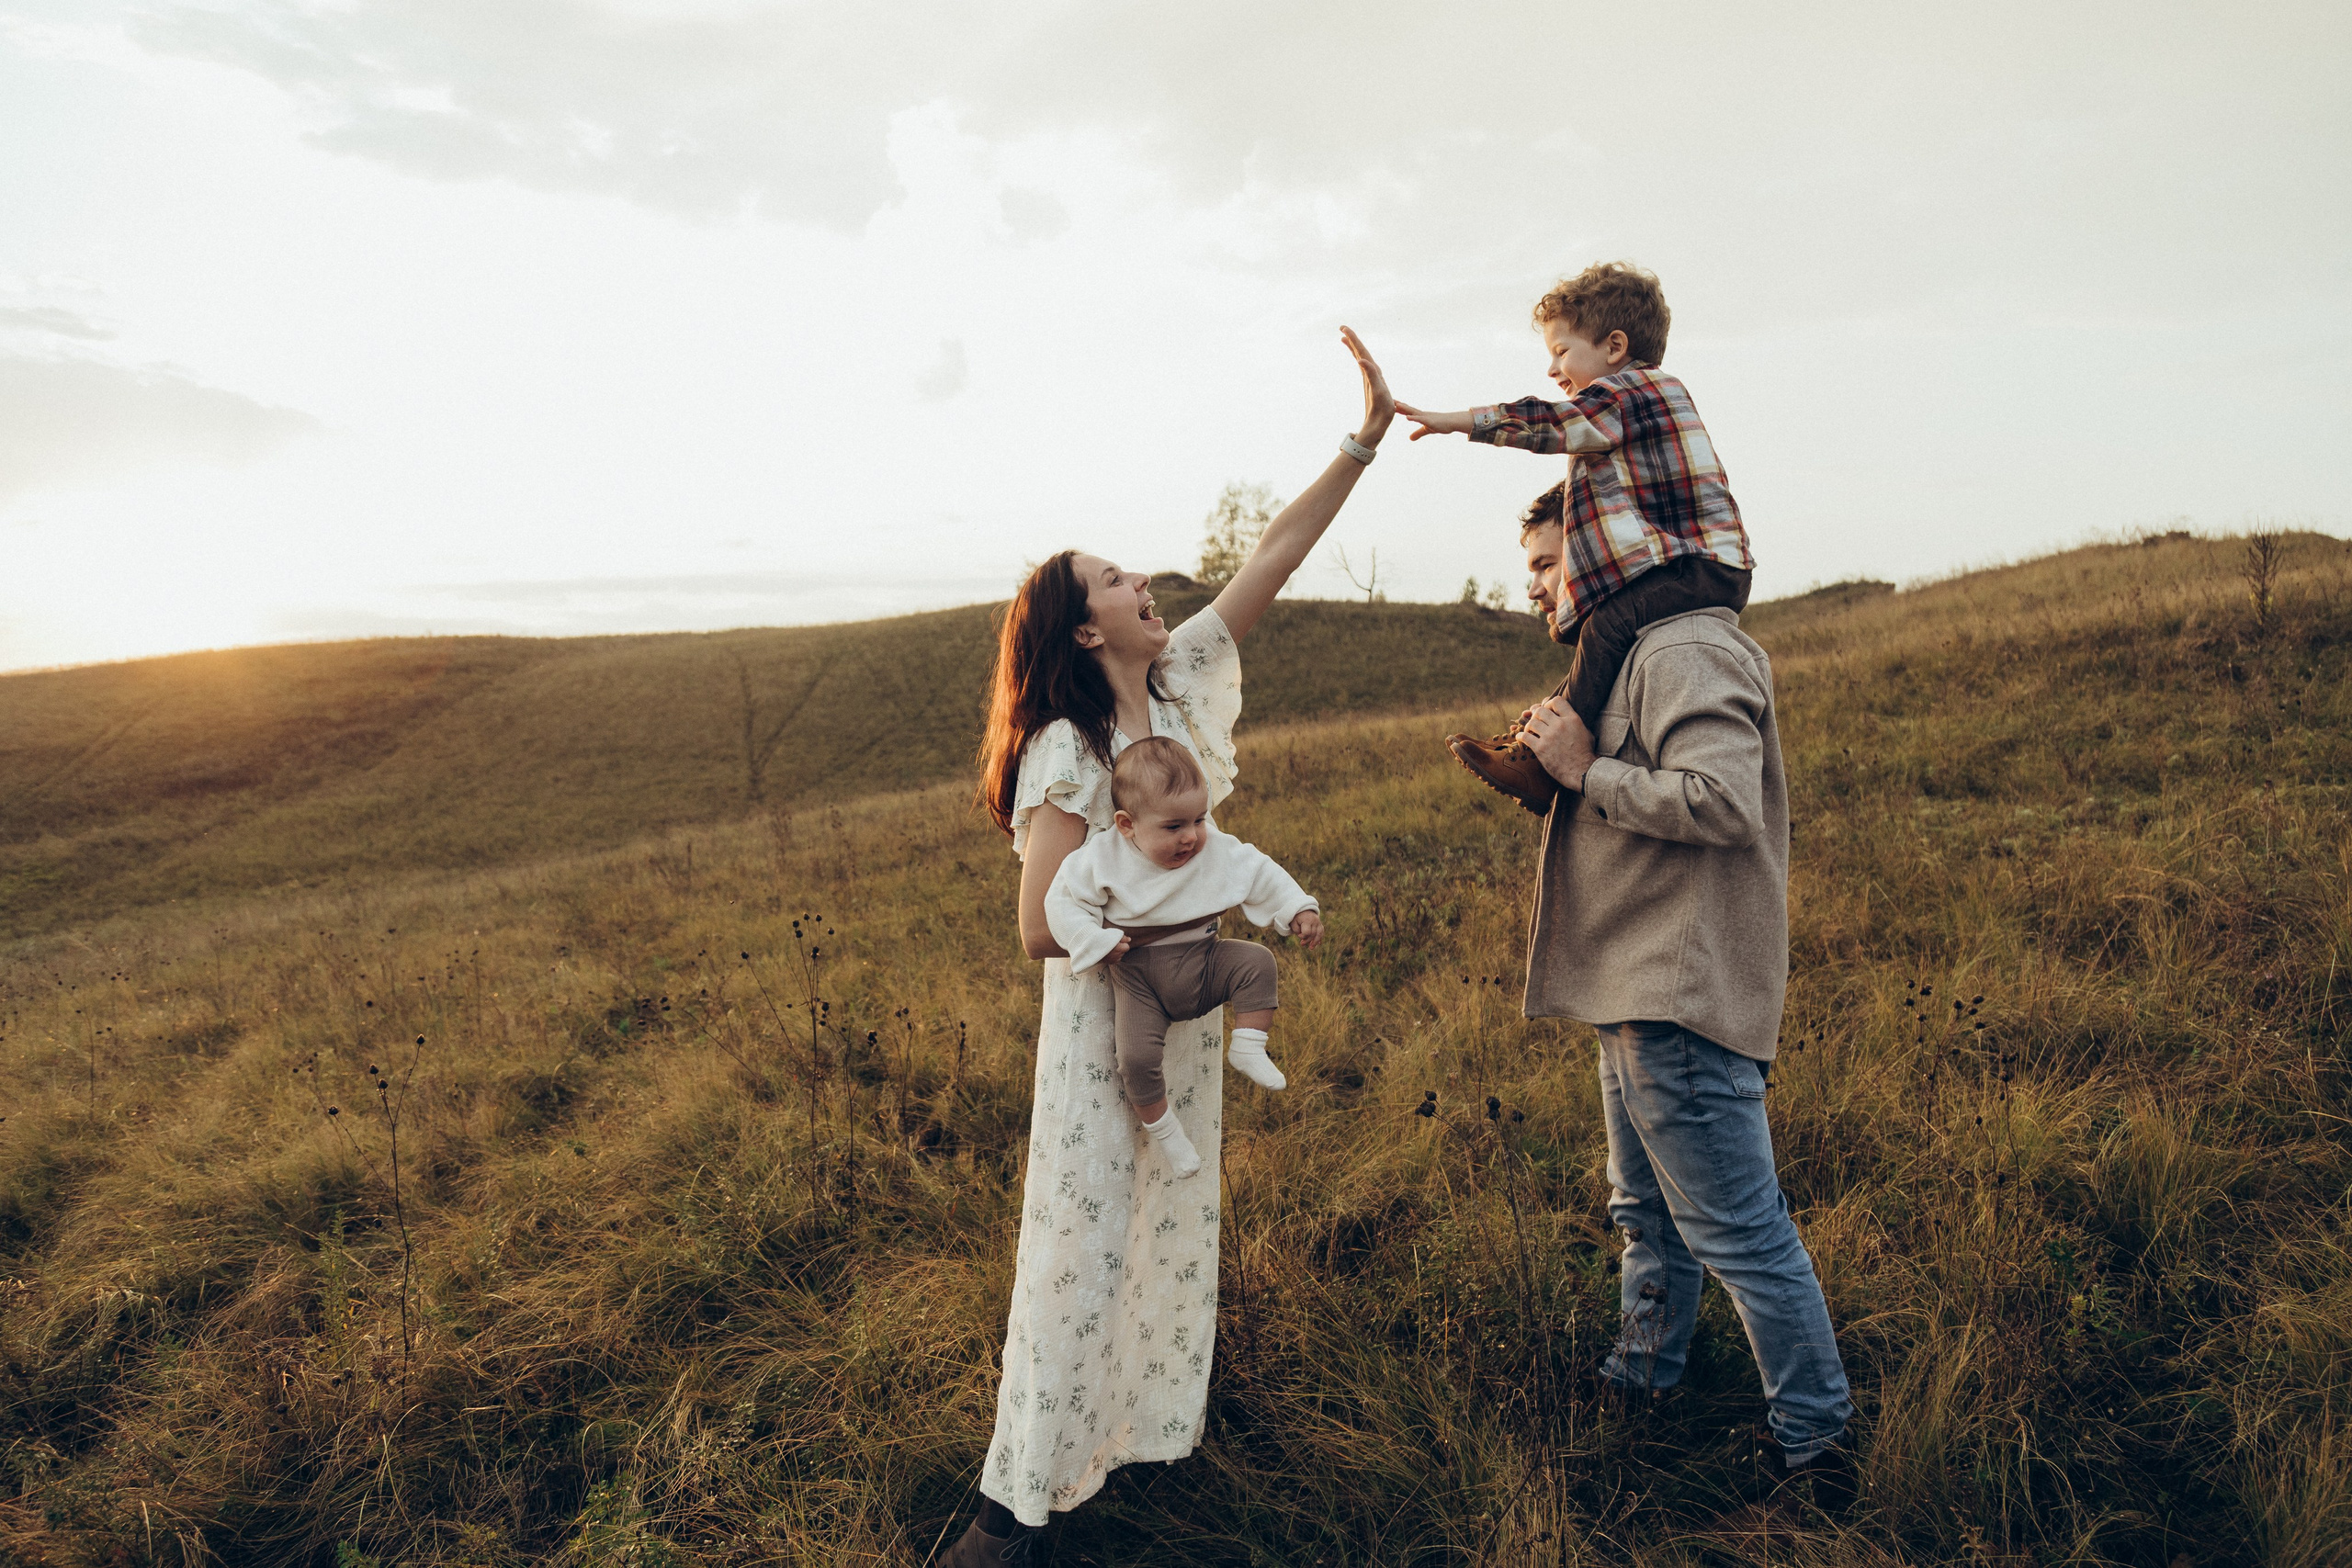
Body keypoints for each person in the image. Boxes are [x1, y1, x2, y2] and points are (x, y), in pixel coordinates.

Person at [941, 328, 1396, 1564]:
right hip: (1106, 1032)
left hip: (1182, 1022)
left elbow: (1275, 553)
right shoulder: (1066, 749)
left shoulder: (1184, 689)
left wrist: (1363, 439)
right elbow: (1037, 922)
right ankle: (1008, 1516)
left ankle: (1109, 1458)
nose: (1143, 581)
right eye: (1114, 579)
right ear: (1085, 631)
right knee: (1080, 1258)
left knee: (1156, 1245)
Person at [1504, 505, 1859, 1508]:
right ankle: (1643, 1377)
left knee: (1741, 1233)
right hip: (1634, 986)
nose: (1534, 587)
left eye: (1547, 564)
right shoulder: (1635, 659)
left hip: (1677, 995)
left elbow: (1720, 799)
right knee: (1648, 1214)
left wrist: (1584, 770)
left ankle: (1815, 1449)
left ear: (1604, 554)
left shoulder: (1685, 650)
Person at [1395, 262, 1755, 817]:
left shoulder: (1631, 393)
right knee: (1602, 629)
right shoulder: (1631, 408)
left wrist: (1463, 421)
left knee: (1607, 623)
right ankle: (1535, 738)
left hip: (1698, 567)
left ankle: (1539, 766)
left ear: (1614, 346)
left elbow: (1551, 423)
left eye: (1561, 351)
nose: (1551, 368)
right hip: (1694, 565)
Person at [1045, 736, 1323, 1179]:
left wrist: (1299, 908)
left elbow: (1258, 870)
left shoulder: (1213, 848)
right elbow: (1062, 901)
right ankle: (1168, 1134)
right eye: (1174, 826)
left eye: (1199, 819)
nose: (1191, 836)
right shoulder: (1102, 858)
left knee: (1257, 962)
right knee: (1135, 1061)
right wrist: (1093, 940)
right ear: (1127, 825)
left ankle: (1249, 1046)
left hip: (1205, 959)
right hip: (1139, 981)